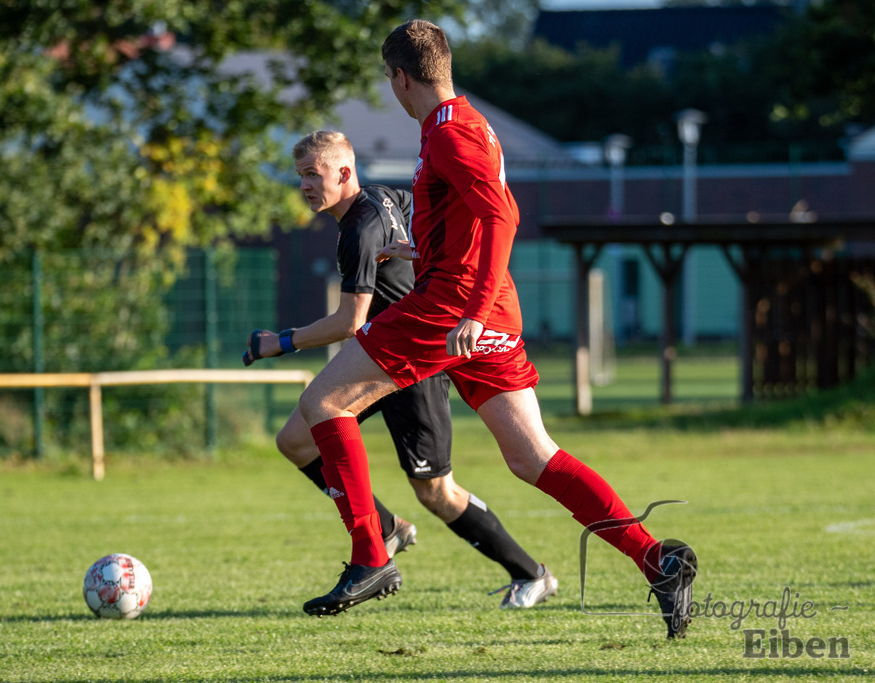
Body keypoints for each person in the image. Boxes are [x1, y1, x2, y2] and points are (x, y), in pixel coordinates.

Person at [290, 20, 697, 638]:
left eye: (389, 80)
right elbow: (468, 222)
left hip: (454, 309)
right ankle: (657, 559)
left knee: (324, 404)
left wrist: (471, 309)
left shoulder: (449, 135)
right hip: (482, 306)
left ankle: (373, 555)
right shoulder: (464, 122)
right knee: (534, 457)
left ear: (401, 77)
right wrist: (424, 258)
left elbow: (501, 215)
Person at [243, 130, 559, 611]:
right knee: (296, 440)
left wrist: (279, 342)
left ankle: (531, 573)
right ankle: (383, 529)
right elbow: (424, 217)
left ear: (344, 173)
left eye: (314, 174)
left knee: (436, 492)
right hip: (376, 359)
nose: (306, 185)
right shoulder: (387, 198)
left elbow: (349, 322)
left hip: (413, 364)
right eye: (301, 175)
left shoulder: (358, 229)